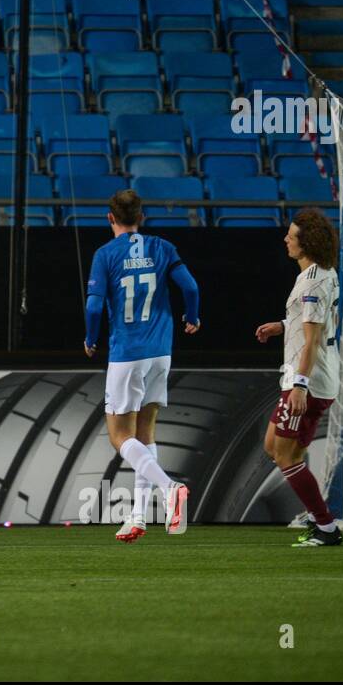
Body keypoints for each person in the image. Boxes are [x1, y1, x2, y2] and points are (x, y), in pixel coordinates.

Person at [83, 189, 200, 541]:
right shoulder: (163, 247)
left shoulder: (105, 254)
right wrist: (192, 317)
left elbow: (92, 307)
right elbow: (190, 287)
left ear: (110, 218)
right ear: (142, 217)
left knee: (120, 436)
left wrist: (91, 338)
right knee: (145, 434)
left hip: (127, 352)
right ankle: (139, 517)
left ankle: (169, 489)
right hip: (161, 351)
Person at [254, 209, 342, 547]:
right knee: (274, 447)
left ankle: (326, 526)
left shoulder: (313, 283)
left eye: (291, 235)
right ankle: (318, 513)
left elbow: (313, 341)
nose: (286, 239)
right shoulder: (321, 274)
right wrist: (284, 325)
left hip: (308, 379)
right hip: (309, 375)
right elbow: (316, 326)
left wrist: (300, 385)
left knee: (285, 454)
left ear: (306, 242)